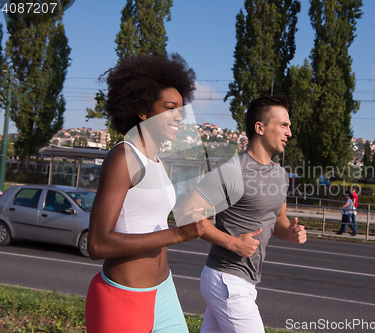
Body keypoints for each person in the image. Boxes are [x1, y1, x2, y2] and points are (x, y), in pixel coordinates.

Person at [85, 54, 205, 333]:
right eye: (170, 108)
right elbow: (97, 245)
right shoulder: (123, 157)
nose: (178, 116)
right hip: (124, 298)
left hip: (164, 292)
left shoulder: (159, 163)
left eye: (181, 110)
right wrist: (178, 234)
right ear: (143, 111)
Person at [176, 93, 307, 333]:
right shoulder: (231, 172)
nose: (289, 132)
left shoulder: (281, 175)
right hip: (226, 278)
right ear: (260, 127)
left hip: (246, 281)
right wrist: (232, 243)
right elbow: (185, 214)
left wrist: (290, 231)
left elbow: (277, 220)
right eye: (283, 125)